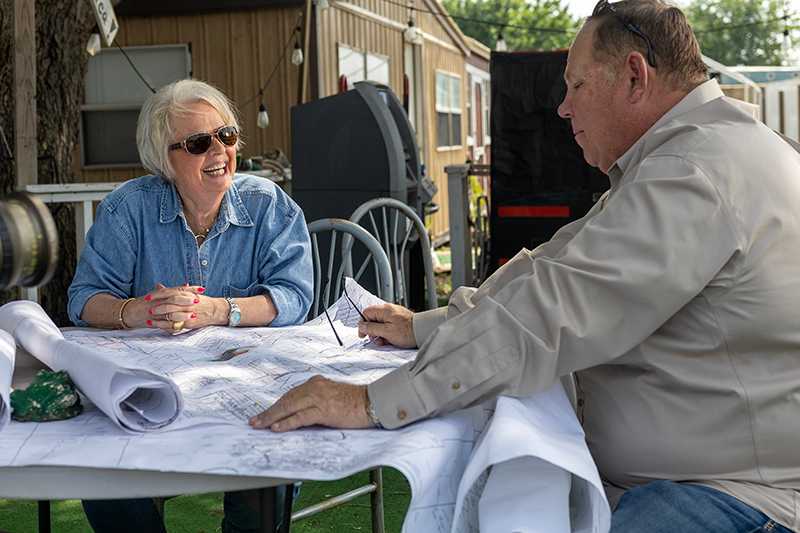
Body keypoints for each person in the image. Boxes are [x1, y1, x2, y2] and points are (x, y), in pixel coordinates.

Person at [249, 1, 800, 532]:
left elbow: (555, 304)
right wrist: (424, 326)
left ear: (635, 76)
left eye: (577, 85)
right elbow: (554, 264)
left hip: (737, 496)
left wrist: (370, 401)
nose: (563, 108)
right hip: (688, 481)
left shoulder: (695, 171)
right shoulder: (690, 158)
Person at [68, 79, 312, 533]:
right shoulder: (128, 209)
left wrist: (221, 310)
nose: (219, 151)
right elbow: (83, 299)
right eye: (199, 143)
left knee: (272, 460)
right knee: (102, 463)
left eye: (227, 135)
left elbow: (294, 297)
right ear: (165, 159)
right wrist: (135, 312)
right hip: (151, 393)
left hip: (246, 388)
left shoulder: (269, 205)